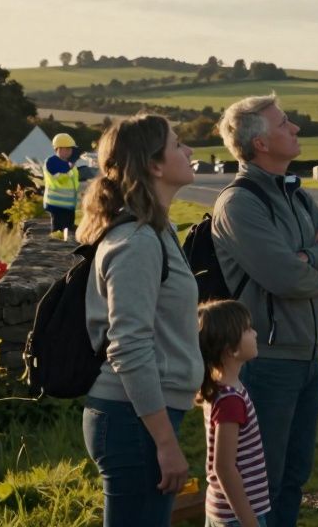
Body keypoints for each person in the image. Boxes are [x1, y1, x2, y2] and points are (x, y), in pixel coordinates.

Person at [210, 94, 318, 527]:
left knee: (294, 477)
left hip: (308, 357)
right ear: (260, 144)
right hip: (267, 362)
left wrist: (307, 258)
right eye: (284, 123)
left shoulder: (296, 194)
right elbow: (287, 278)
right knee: (263, 484)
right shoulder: (239, 204)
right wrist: (314, 261)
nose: (295, 129)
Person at [78, 114, 204, 527]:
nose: (188, 152)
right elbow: (129, 346)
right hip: (134, 419)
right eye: (178, 144)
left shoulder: (155, 231)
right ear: (154, 165)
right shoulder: (136, 242)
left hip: (142, 415)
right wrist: (165, 441)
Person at [199, 299, 271, 527]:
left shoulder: (224, 389)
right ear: (231, 348)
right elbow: (224, 467)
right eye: (248, 329)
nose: (256, 333)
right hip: (237, 516)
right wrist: (249, 521)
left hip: (226, 512)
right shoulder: (230, 400)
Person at [44, 132, 82, 241]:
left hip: (68, 204)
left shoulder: (68, 164)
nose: (71, 152)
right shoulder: (52, 162)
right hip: (56, 204)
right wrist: (69, 168)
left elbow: (74, 181)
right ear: (60, 149)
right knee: (58, 228)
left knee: (69, 226)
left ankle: (66, 242)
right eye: (69, 149)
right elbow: (60, 178)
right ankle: (55, 245)